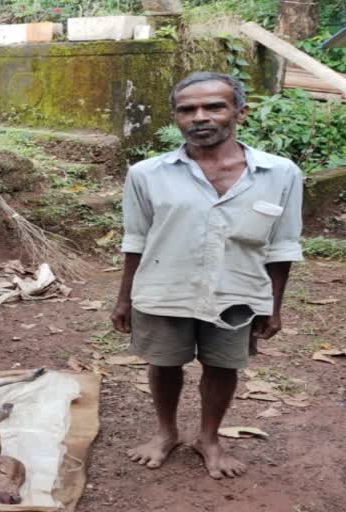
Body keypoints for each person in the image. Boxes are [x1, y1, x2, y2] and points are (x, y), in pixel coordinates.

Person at [110, 72, 303, 478]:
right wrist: (125, 298)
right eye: (187, 109)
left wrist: (273, 305)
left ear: (239, 112)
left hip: (238, 291)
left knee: (223, 366)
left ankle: (209, 438)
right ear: (176, 117)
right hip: (164, 288)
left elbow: (283, 247)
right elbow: (136, 239)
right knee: (164, 362)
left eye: (214, 106)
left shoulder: (280, 173)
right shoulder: (147, 174)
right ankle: (166, 433)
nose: (200, 116)